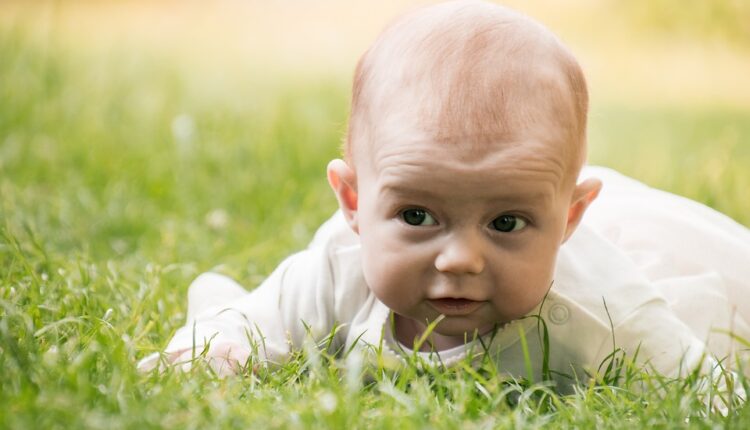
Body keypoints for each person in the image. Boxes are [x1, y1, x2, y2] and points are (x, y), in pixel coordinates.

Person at [139, 0, 750, 391]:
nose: (460, 258)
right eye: (416, 215)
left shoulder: (606, 310)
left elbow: (705, 390)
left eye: (506, 223)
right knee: (246, 322)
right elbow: (255, 329)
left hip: (646, 257)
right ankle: (211, 297)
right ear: (352, 204)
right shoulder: (338, 267)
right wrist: (211, 351)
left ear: (568, 219)